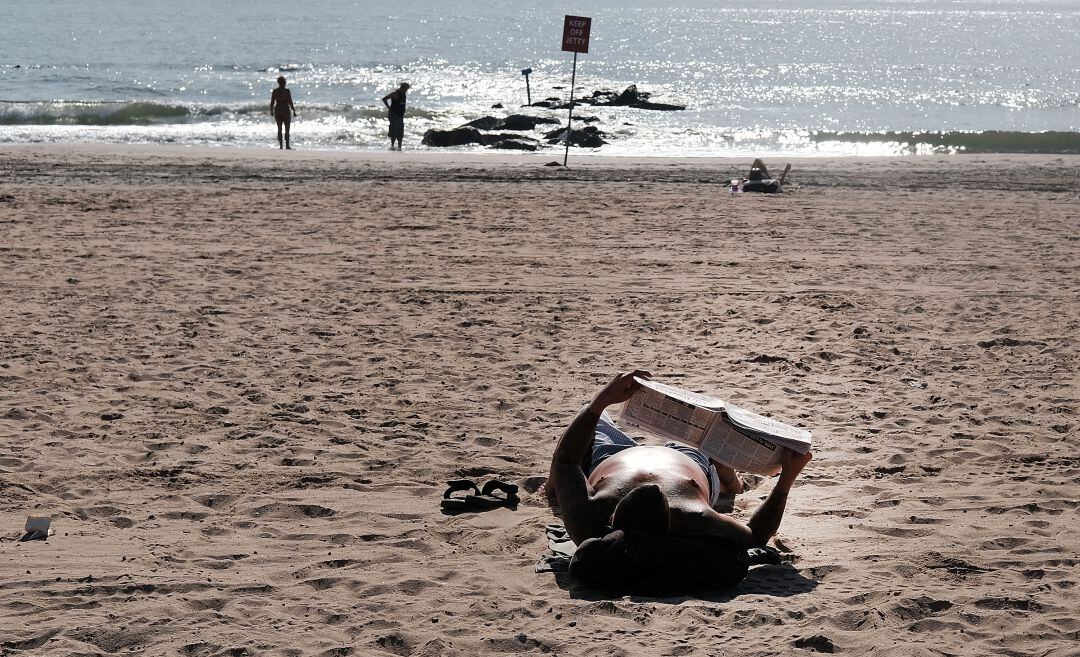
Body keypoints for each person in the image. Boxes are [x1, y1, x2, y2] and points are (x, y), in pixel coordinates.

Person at [546, 370, 813, 591]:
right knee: (716, 433)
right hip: (688, 459)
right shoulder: (694, 516)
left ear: (613, 517)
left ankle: (551, 490)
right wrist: (787, 478)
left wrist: (600, 401)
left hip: (611, 455)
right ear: (672, 518)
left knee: (586, 417)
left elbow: (566, 462)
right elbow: (757, 536)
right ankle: (731, 482)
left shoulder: (590, 521)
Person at [270, 76, 297, 150]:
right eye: (285, 82)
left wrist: (271, 111)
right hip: (285, 110)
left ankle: (281, 146)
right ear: (284, 82)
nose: (285, 83)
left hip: (277, 110)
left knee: (279, 129)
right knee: (287, 129)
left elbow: (272, 102)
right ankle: (287, 145)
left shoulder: (275, 91)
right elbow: (290, 102)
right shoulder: (287, 91)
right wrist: (294, 110)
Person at [381, 82, 410, 150]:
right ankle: (392, 146)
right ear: (403, 87)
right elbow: (384, 99)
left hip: (400, 115)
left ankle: (399, 147)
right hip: (394, 115)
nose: (406, 90)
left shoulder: (404, 94)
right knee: (394, 130)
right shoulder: (395, 93)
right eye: (406, 89)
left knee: (400, 131)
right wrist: (389, 107)